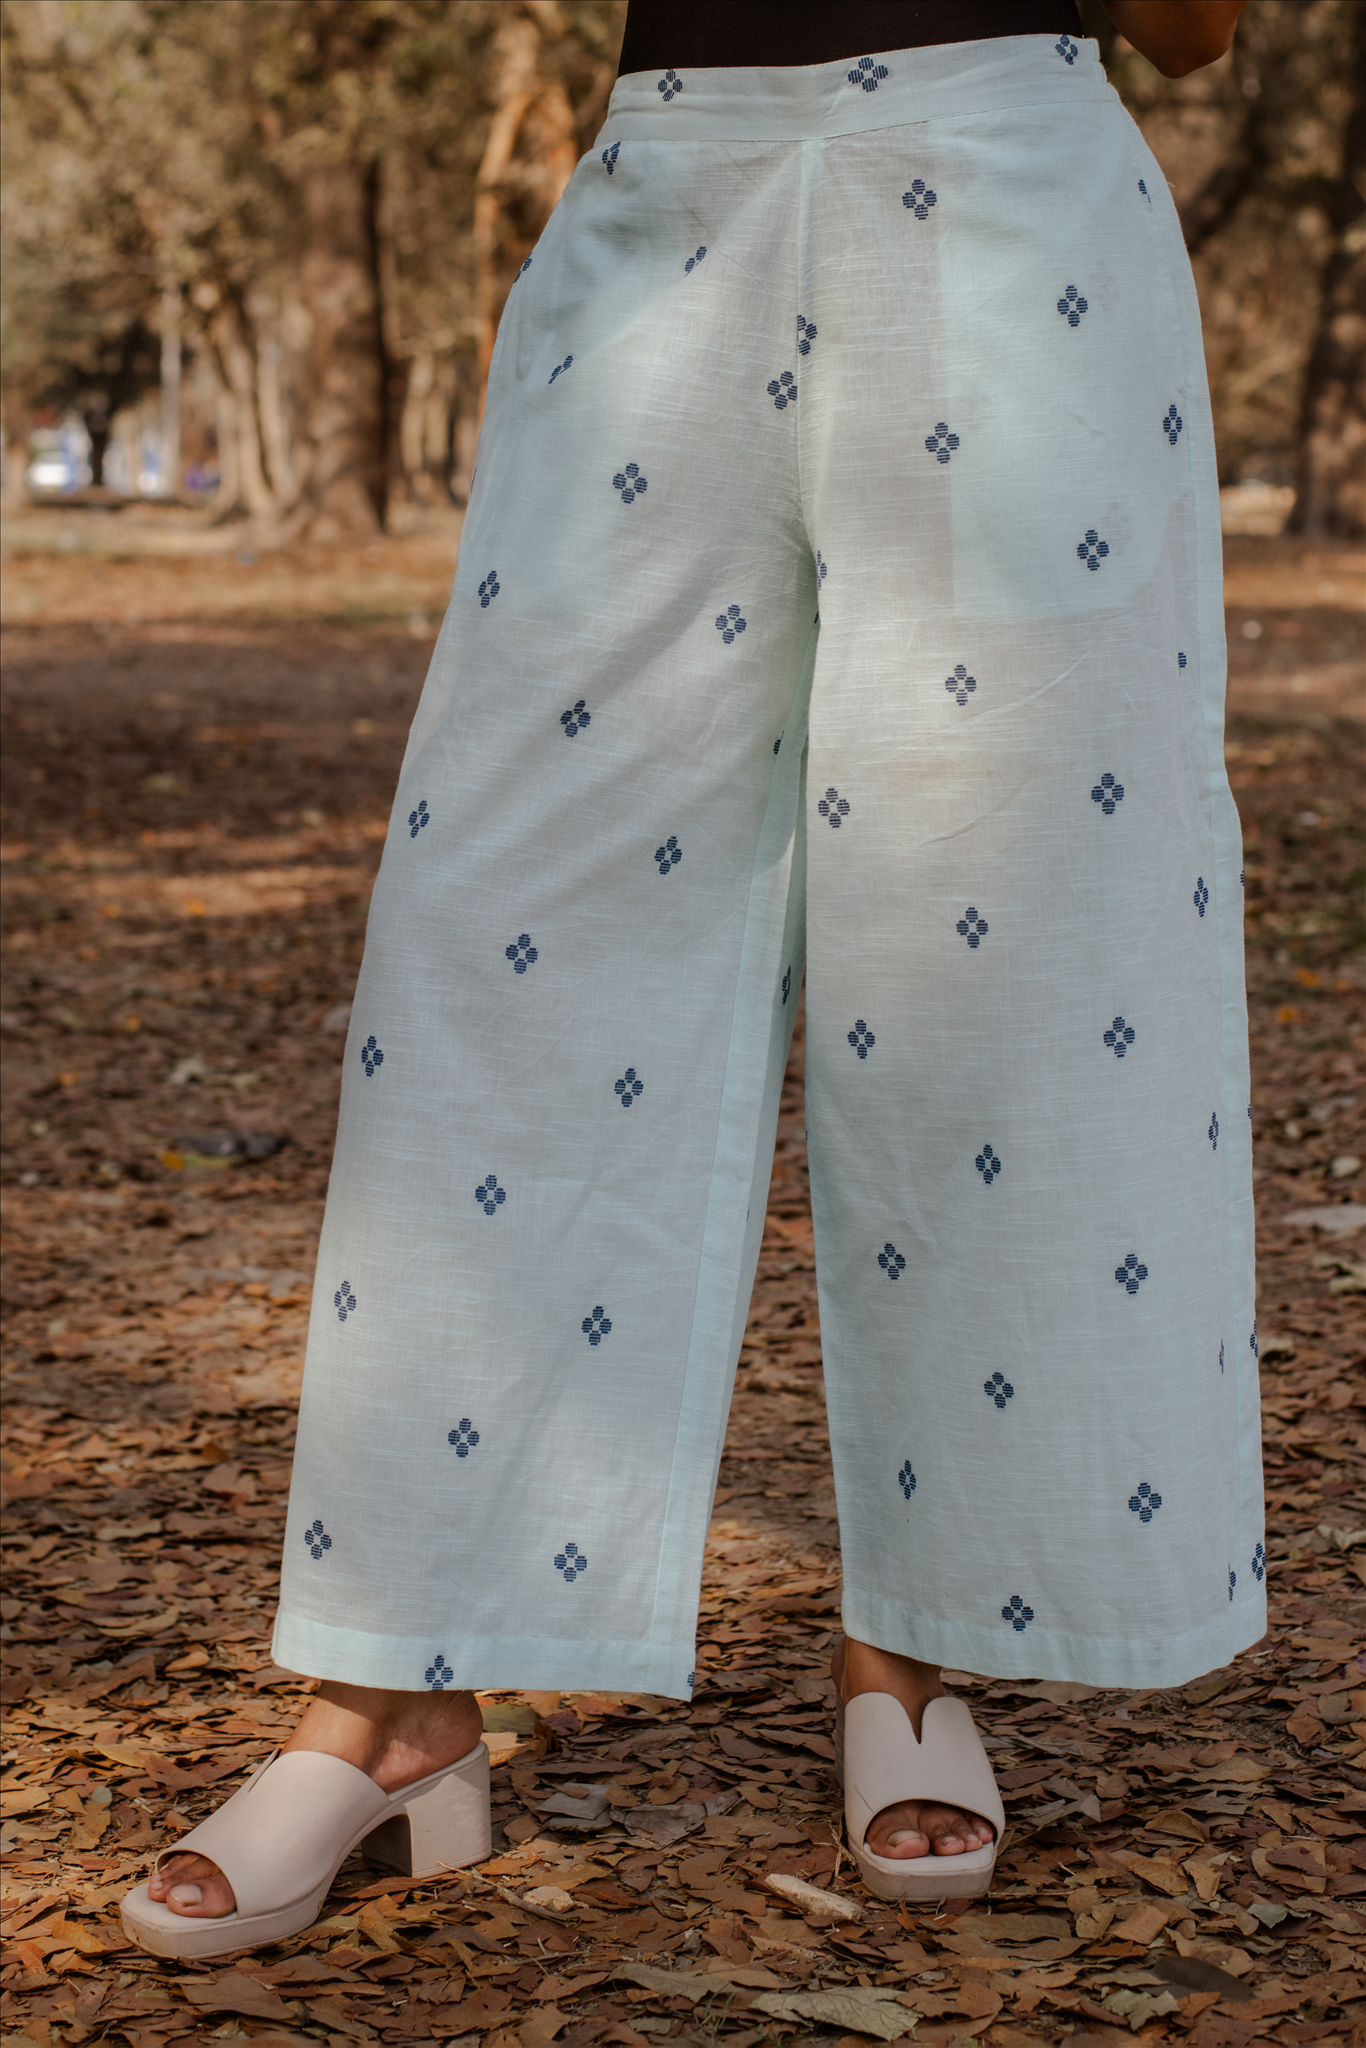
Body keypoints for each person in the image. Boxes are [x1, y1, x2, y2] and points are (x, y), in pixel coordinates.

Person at [123, 0, 1261, 1954]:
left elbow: (1192, 31)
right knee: (494, 927)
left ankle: (909, 1653)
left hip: (1006, 198)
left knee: (1006, 962)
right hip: (667, 189)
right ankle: (391, 1693)